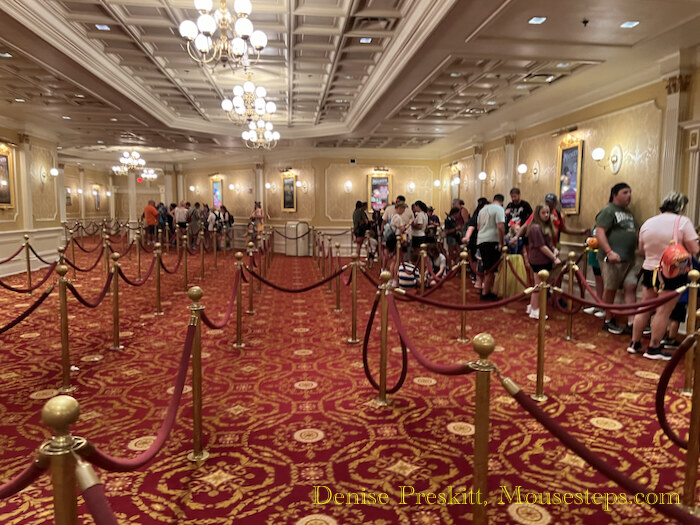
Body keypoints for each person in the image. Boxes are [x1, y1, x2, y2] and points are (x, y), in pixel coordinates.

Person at [626, 192, 699, 359]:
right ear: (680, 207)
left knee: (644, 307)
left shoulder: (648, 223)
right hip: (672, 272)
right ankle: (654, 347)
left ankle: (634, 343)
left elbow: (642, 250)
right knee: (664, 311)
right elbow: (695, 250)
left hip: (649, 269)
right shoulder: (682, 222)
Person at [595, 183, 639, 335]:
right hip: (612, 259)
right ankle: (608, 320)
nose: (629, 195)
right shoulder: (608, 211)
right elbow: (599, 232)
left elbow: (635, 232)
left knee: (631, 287)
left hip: (629, 259)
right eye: (625, 192)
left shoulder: (629, 213)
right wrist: (609, 251)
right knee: (610, 288)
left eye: (630, 192)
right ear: (615, 194)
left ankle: (631, 322)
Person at [524, 203, 562, 319]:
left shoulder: (545, 226)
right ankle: (535, 309)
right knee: (539, 285)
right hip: (538, 259)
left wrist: (554, 250)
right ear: (537, 214)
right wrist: (554, 257)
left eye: (547, 212)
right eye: (543, 213)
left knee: (538, 284)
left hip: (543, 258)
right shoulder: (536, 227)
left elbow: (548, 243)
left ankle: (532, 306)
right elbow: (541, 246)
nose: (546, 215)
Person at [476, 194, 506, 301]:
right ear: (502, 201)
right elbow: (500, 226)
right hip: (492, 241)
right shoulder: (499, 209)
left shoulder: (482, 210)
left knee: (488, 267)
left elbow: (479, 227)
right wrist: (502, 243)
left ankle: (488, 290)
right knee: (490, 268)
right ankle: (485, 293)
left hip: (481, 239)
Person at [463, 198, 489, 286]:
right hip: (476, 241)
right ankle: (478, 278)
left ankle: (479, 279)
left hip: (481, 240)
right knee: (476, 261)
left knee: (479, 261)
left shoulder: (483, 215)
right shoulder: (477, 216)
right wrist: (467, 237)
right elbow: (471, 227)